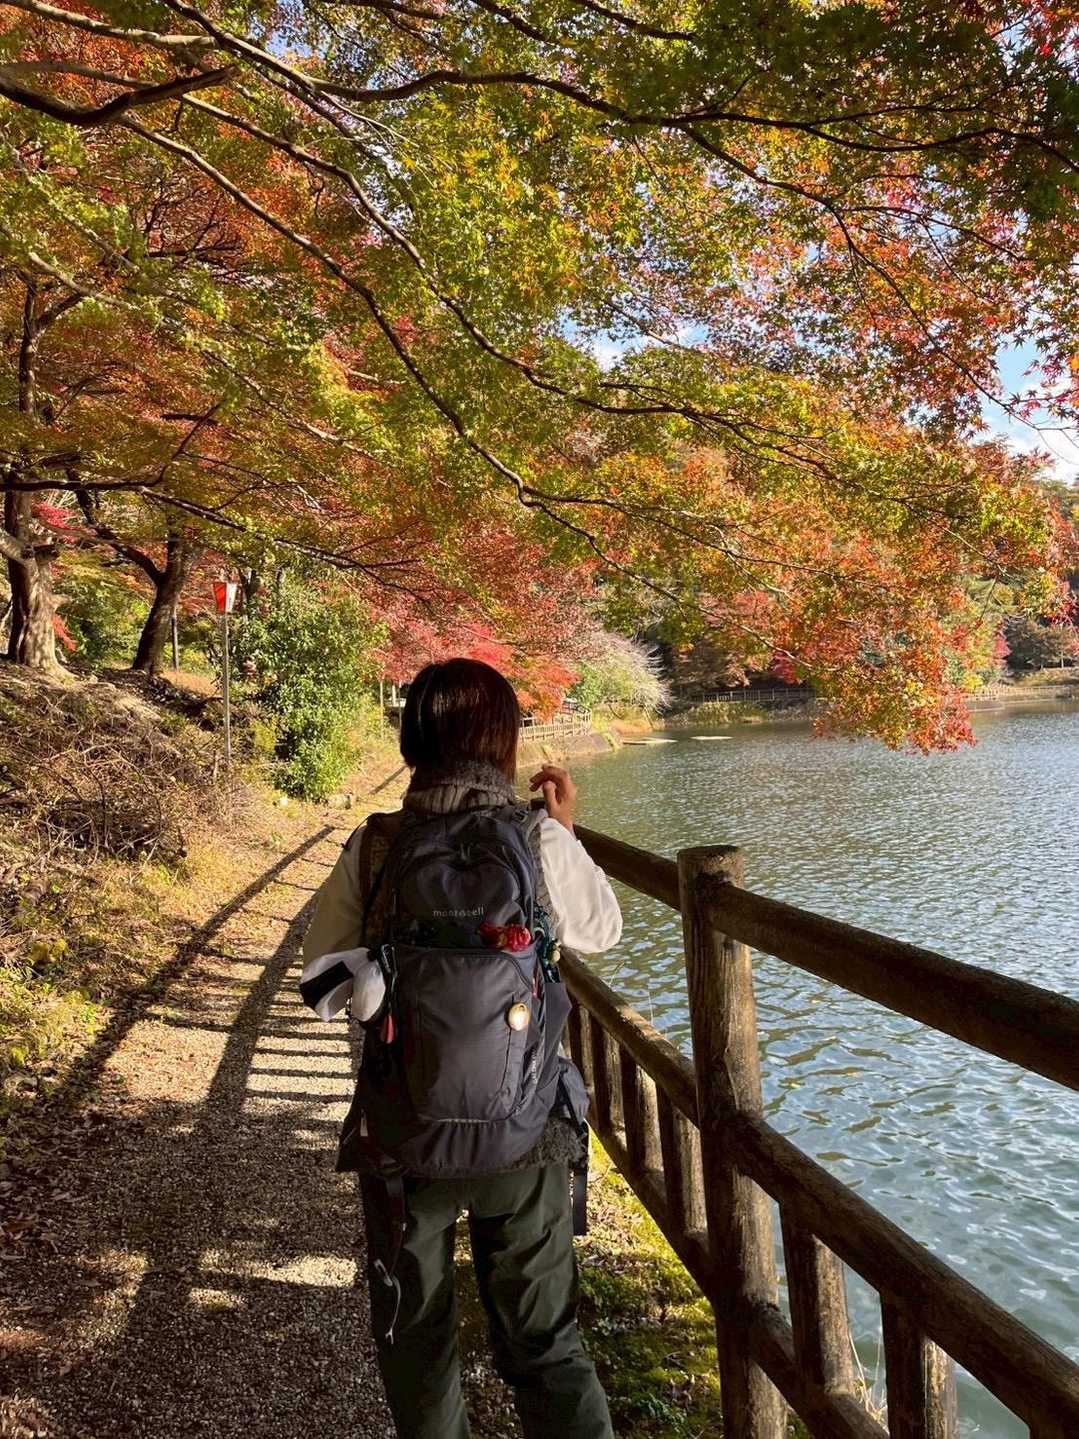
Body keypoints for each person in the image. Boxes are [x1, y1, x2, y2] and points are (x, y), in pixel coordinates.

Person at [302, 658, 622, 1439]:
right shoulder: (536, 836)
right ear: (504, 741)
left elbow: (320, 989)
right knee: (545, 1341)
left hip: (404, 1138)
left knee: (416, 1340)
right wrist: (564, 834)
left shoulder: (376, 844)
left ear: (413, 738)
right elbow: (603, 930)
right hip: (526, 1133)